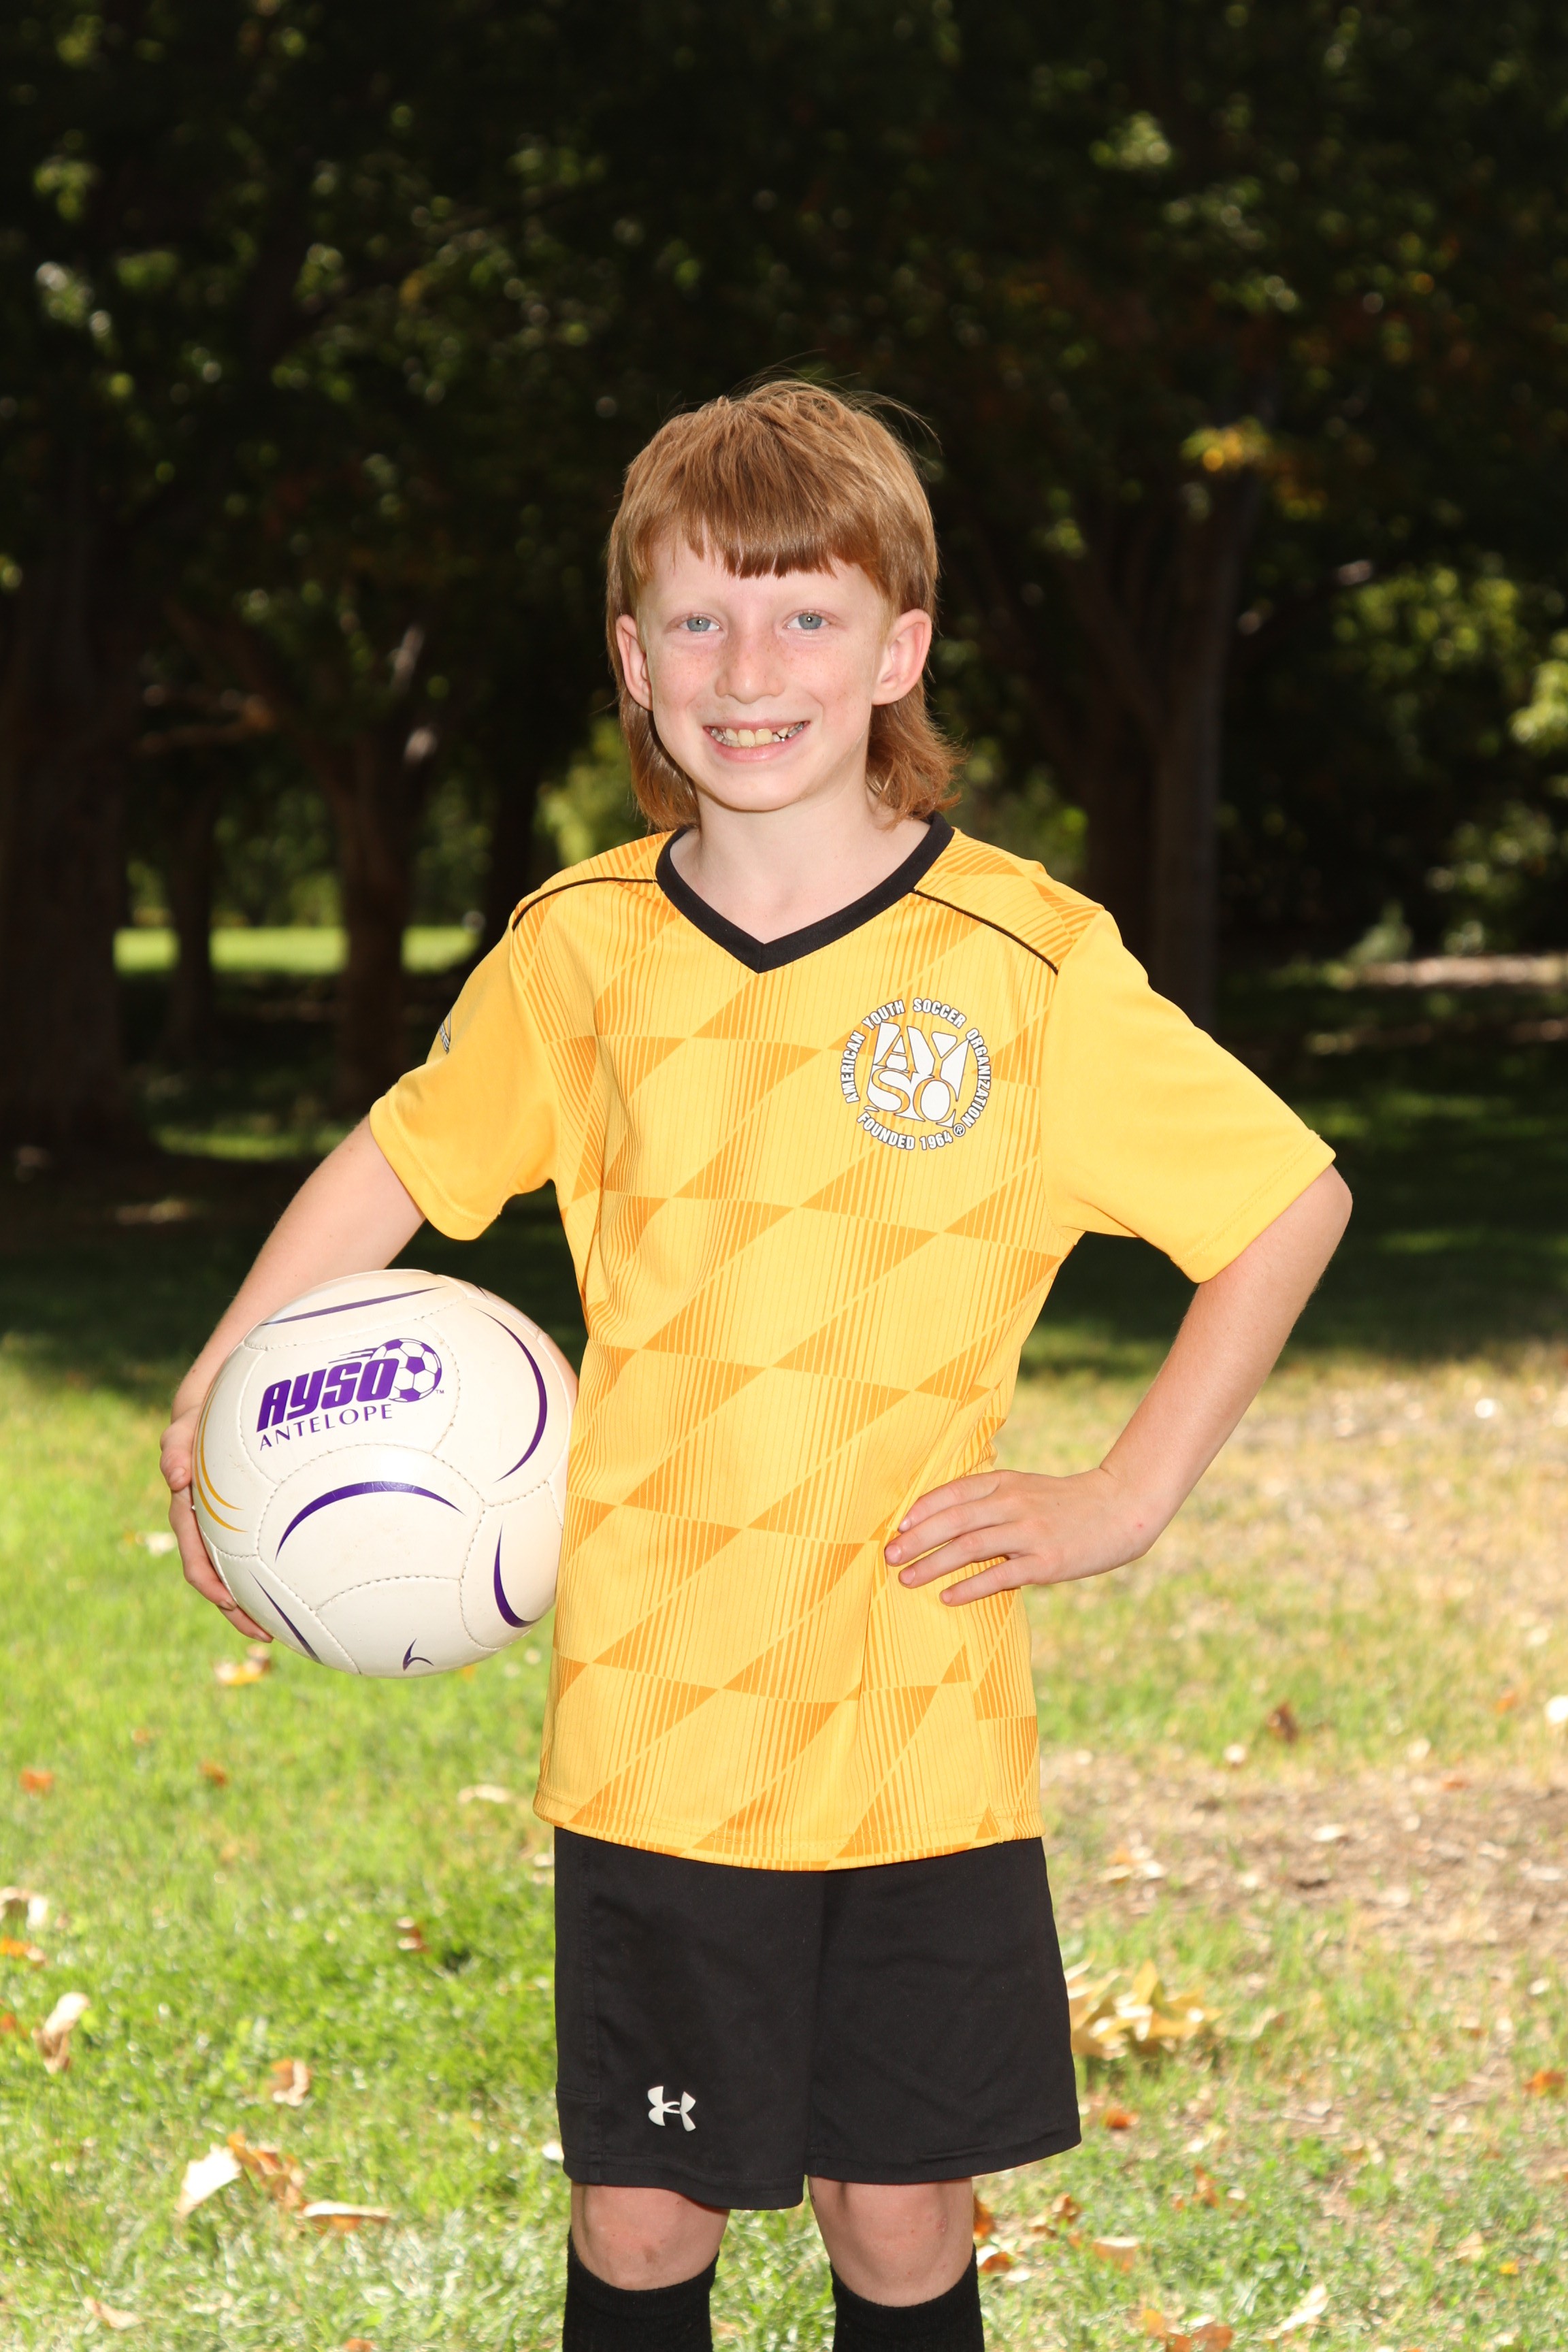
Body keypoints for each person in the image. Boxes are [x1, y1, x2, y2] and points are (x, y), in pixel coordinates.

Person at [161, 380, 1351, 2352]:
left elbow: (1284, 1204)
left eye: (806, 615)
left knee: (898, 2218)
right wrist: (223, 1381)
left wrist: (1125, 1494)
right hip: (658, 1717)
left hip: (912, 1714)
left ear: (899, 649)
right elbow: (404, 1158)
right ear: (633, 661)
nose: (749, 668)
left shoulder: (1025, 962)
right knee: (643, 2222)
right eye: (699, 620)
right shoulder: (581, 950)